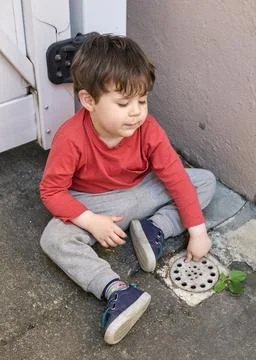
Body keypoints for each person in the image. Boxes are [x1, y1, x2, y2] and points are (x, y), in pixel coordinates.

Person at [39, 33, 216, 345]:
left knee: (203, 181)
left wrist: (197, 230)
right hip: (97, 205)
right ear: (88, 101)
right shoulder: (70, 138)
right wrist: (89, 220)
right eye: (123, 103)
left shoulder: (146, 128)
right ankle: (118, 291)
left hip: (143, 190)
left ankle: (153, 228)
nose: (136, 112)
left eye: (142, 100)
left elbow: (174, 175)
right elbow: (51, 191)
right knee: (53, 238)